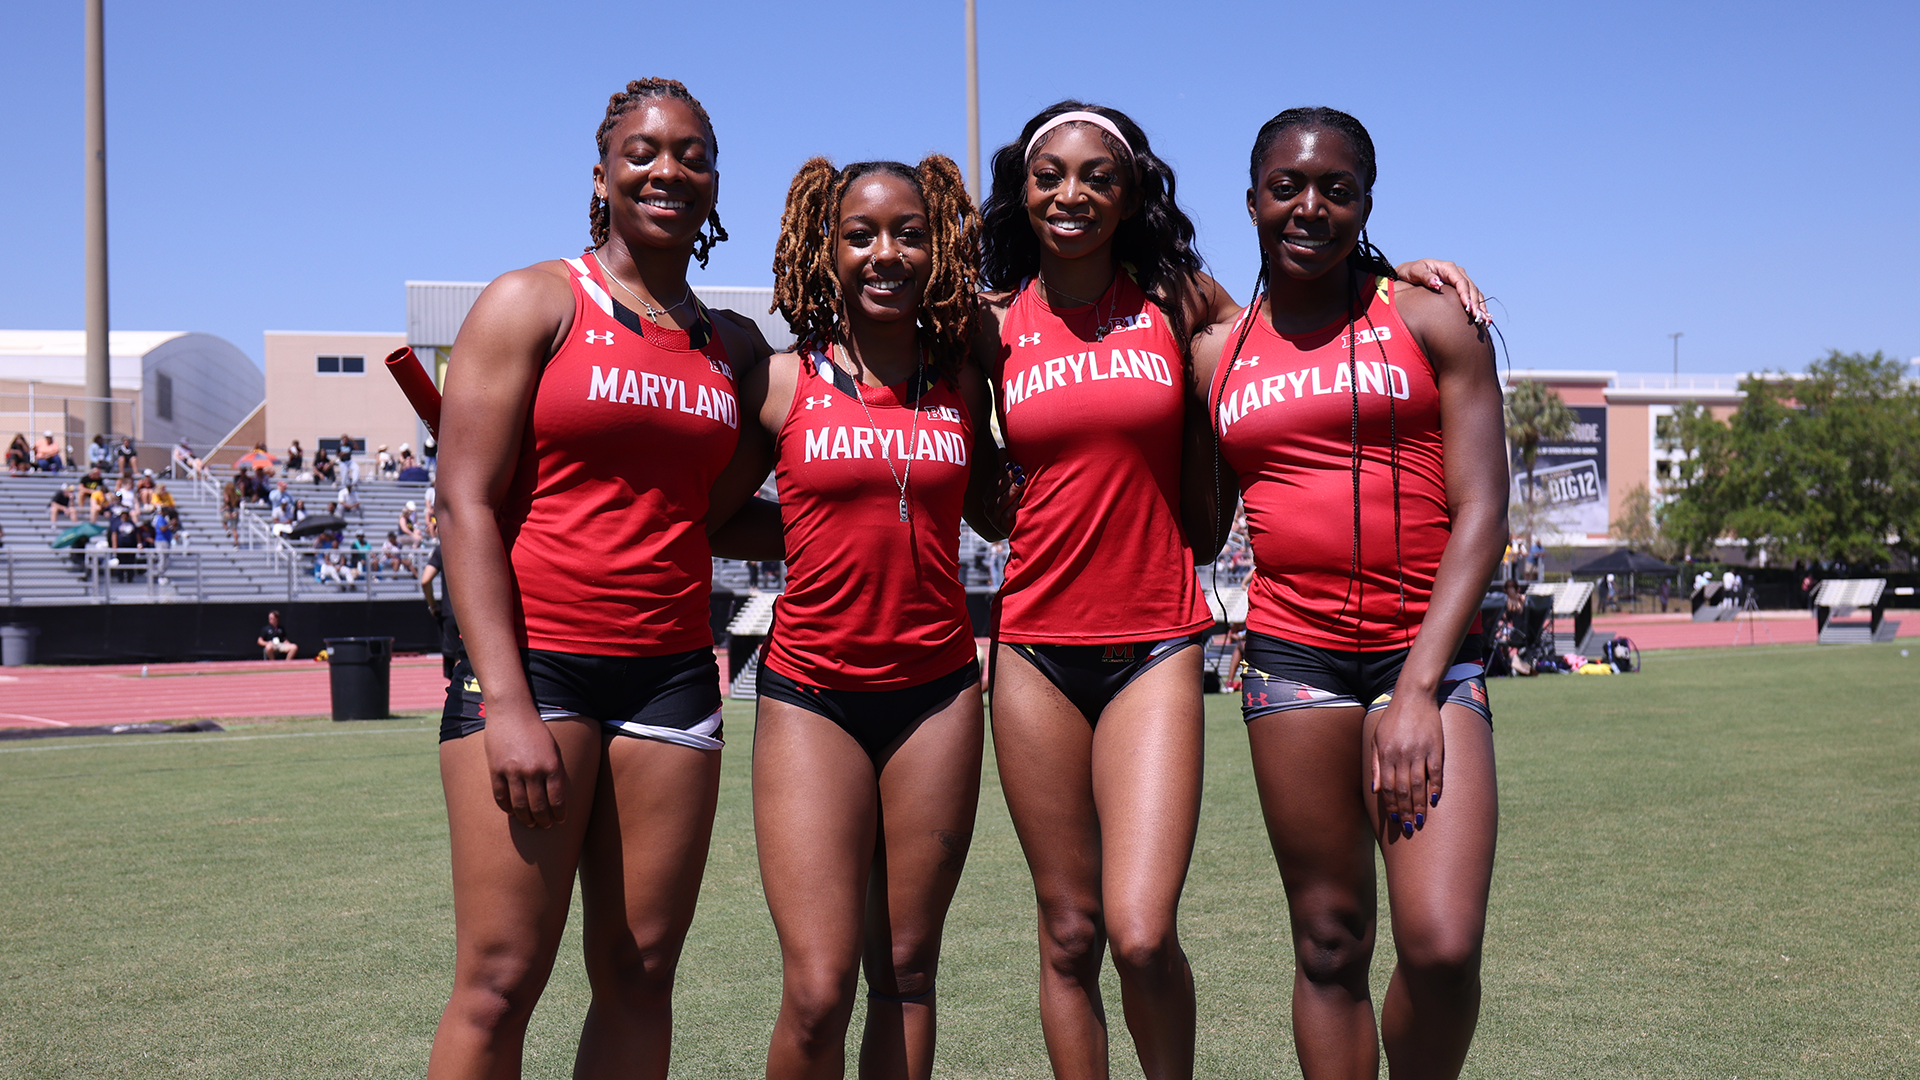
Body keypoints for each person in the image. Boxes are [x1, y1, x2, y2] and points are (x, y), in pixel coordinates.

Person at [974, 100, 1484, 1080]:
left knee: (1140, 933)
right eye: (1050, 174)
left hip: (1161, 639)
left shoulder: (1182, 304)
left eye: (1098, 175)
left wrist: (1403, 268)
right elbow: (965, 462)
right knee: (1070, 935)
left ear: (1134, 194)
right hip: (1036, 645)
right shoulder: (990, 325)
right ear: (1022, 188)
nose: (1072, 193)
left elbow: (1308, 292)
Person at [427, 78, 773, 1080]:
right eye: (645, 152)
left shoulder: (735, 350)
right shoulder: (534, 301)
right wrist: (508, 702)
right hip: (539, 673)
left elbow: (714, 518)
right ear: (602, 174)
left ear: (714, 183)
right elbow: (467, 506)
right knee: (499, 977)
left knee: (640, 972)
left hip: (669, 677)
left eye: (693, 155)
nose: (669, 170)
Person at [1192, 107, 1507, 1080]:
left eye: (1337, 187)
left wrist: (1416, 691)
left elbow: (1484, 512)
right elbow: (1199, 522)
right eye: (1287, 185)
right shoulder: (1218, 352)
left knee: (1443, 948)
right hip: (1290, 664)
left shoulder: (1428, 315)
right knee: (1330, 948)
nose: (1310, 205)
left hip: (1429, 660)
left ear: (1368, 202)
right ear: (1251, 201)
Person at [729, 154, 1001, 1080]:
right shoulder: (779, 381)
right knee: (815, 992)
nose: (886, 253)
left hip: (938, 695)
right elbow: (709, 508)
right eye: (861, 235)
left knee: (907, 975)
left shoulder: (965, 375)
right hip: (812, 696)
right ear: (826, 247)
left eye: (909, 233)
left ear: (939, 246)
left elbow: (999, 503)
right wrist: (811, 523)